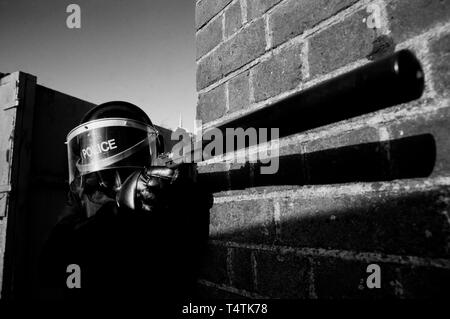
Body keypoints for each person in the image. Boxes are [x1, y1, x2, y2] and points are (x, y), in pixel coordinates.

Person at [39, 101, 212, 300]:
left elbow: (183, 260)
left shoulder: (162, 190)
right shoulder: (83, 191)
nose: (111, 180)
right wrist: (117, 210)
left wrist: (175, 197)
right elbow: (51, 265)